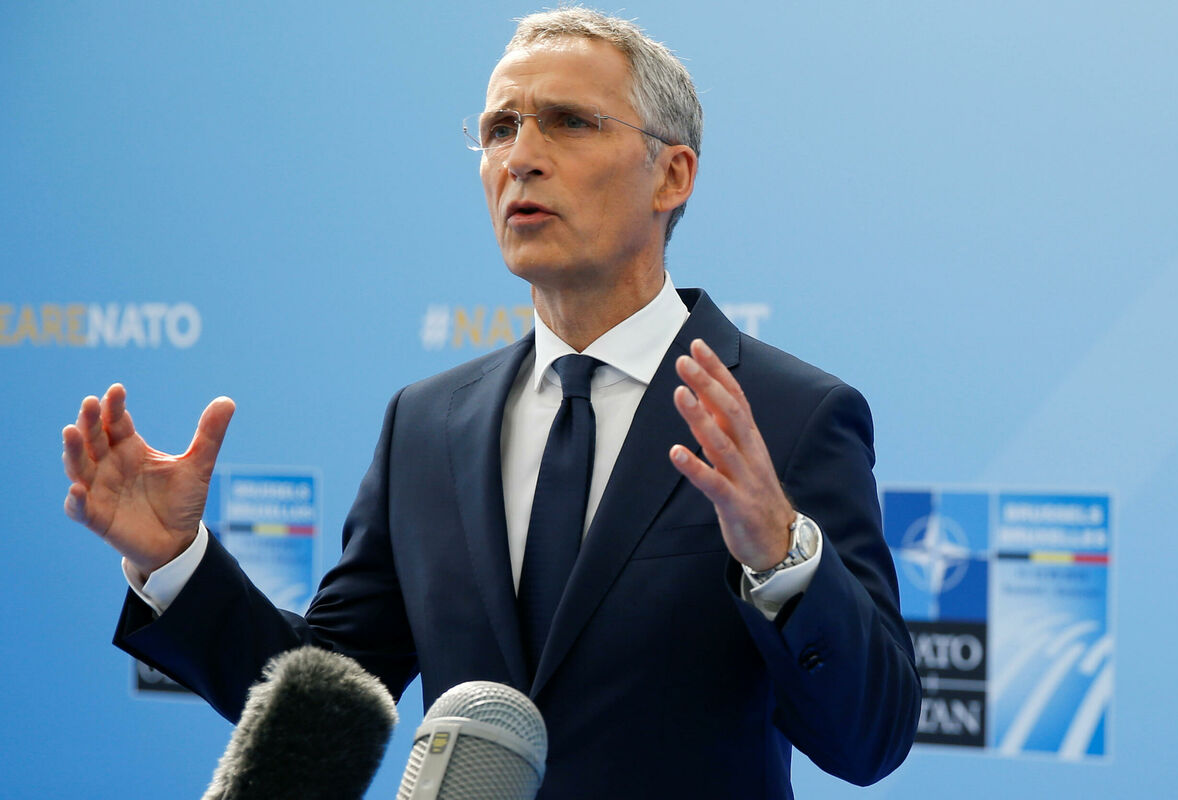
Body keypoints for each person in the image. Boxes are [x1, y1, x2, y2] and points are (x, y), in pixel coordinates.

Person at [62, 8, 919, 798]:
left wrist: (780, 556)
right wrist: (176, 562)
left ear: (672, 174)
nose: (521, 157)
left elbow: (870, 738)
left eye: (570, 122)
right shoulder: (427, 426)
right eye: (499, 128)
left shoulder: (788, 415)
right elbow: (324, 694)